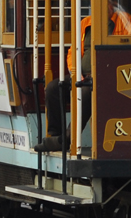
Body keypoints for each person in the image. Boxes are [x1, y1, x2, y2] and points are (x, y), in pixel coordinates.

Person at [37, 17, 93, 152]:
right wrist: (76, 72)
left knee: (85, 94)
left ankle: (66, 139)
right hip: (82, 76)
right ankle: (55, 136)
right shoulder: (87, 22)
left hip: (104, 78)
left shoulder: (123, 21)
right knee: (54, 88)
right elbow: (73, 52)